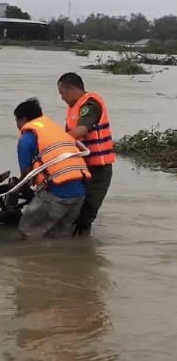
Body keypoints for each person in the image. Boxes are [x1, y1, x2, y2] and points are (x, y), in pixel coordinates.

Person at [14, 98, 90, 240]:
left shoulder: (27, 138)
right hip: (79, 195)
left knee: (28, 228)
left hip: (57, 195)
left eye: (16, 121)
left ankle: (28, 260)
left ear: (23, 120)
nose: (17, 126)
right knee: (61, 235)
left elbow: (26, 174)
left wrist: (16, 189)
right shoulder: (57, 131)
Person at [57, 72, 115, 234]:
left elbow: (81, 129)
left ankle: (82, 248)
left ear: (72, 88)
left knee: (85, 214)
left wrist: (56, 144)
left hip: (98, 170)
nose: (62, 98)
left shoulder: (90, 105)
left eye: (62, 93)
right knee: (72, 210)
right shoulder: (74, 108)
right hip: (82, 167)